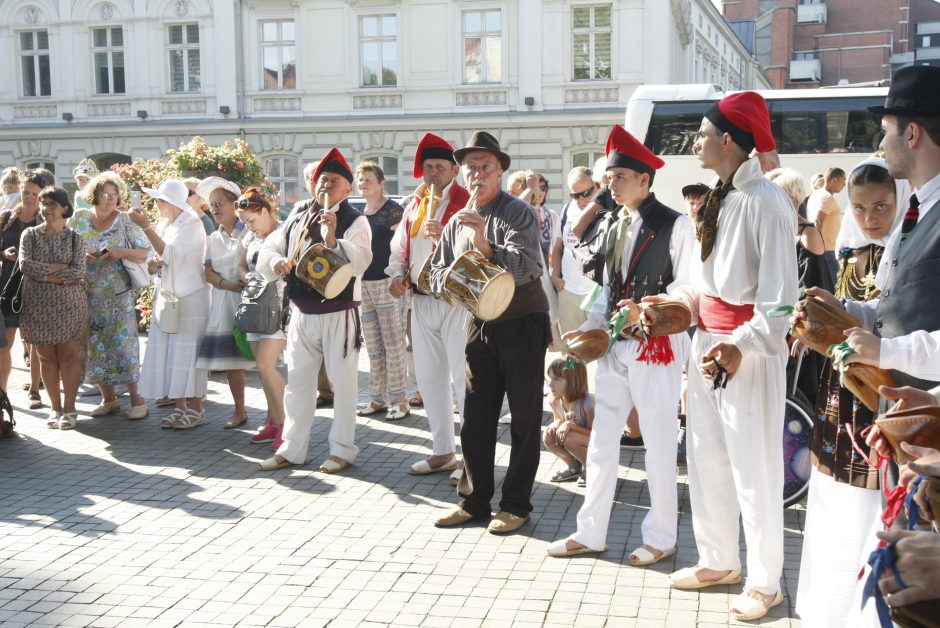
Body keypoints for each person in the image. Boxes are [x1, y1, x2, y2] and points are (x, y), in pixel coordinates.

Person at [666, 91, 798, 622]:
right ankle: (719, 559)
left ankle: (767, 581)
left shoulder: (768, 202)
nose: (695, 141)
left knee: (755, 468)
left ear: (727, 140)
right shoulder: (720, 195)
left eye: (701, 133)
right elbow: (701, 285)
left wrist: (739, 345)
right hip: (708, 345)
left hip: (748, 353)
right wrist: (675, 306)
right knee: (706, 458)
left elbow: (780, 301)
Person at [547, 125, 693, 565]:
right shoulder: (612, 222)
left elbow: (688, 288)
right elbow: (605, 289)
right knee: (603, 442)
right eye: (609, 178)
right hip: (614, 347)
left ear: (645, 179)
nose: (610, 185)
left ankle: (662, 536)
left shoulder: (676, 223)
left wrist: (651, 311)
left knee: (660, 443)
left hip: (657, 348)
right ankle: (590, 532)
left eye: (619, 177)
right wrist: (590, 329)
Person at [795, 157, 905, 628]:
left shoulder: (904, 253)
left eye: (881, 205)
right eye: (859, 208)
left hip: (876, 392)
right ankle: (827, 608)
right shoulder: (848, 254)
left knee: (869, 500)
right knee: (832, 498)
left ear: (900, 200)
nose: (870, 217)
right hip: (840, 392)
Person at [430, 131, 550, 535]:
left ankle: (516, 505)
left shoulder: (517, 212)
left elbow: (529, 267)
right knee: (477, 418)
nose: (477, 174)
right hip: (480, 325)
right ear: (462, 174)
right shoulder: (454, 220)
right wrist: (449, 277)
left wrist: (483, 242)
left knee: (524, 418)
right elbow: (434, 273)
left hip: (523, 322)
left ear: (500, 172)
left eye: (485, 167)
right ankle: (474, 501)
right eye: (471, 168)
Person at [257, 148, 372, 473]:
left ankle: (343, 450)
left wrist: (333, 239)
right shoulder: (297, 216)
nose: (326, 185)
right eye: (322, 180)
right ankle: (292, 448)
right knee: (298, 384)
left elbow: (363, 260)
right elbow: (269, 250)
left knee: (343, 383)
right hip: (301, 311)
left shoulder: (355, 219)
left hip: (340, 311)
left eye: (334, 181)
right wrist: (276, 262)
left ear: (348, 188)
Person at [387, 133, 471, 482]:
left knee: (463, 380)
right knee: (429, 377)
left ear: (453, 169)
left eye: (440, 167)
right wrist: (396, 274)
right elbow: (400, 247)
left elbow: (476, 252)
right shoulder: (414, 205)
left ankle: (471, 455)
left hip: (456, 301)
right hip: (421, 299)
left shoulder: (468, 202)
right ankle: (442, 451)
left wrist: (445, 238)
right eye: (428, 168)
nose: (434, 173)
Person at [71, 171, 151, 419]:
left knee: (122, 345)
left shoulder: (125, 220)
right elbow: (69, 247)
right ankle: (109, 400)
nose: (109, 199)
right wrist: (80, 258)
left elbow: (145, 251)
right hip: (85, 292)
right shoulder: (80, 218)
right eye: (105, 194)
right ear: (94, 195)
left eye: (114, 195)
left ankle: (138, 401)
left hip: (118, 294)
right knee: (93, 346)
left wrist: (118, 251)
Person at [132, 180, 210, 429]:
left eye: (159, 200)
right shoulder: (166, 224)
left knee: (189, 355)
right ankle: (179, 407)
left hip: (191, 297)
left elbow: (170, 254)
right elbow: (158, 258)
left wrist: (145, 228)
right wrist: (153, 265)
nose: (155, 204)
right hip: (168, 297)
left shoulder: (193, 223)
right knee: (171, 353)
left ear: (169, 202)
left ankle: (196, 409)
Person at [19, 186, 87, 429]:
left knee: (69, 356)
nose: (45, 209)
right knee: (45, 358)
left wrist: (44, 272)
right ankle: (55, 409)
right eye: (43, 204)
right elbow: (26, 265)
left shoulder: (75, 238)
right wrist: (55, 270)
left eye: (51, 204)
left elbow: (78, 271)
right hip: (37, 305)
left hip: (70, 306)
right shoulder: (30, 235)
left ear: (64, 209)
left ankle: (70, 408)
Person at [195, 177, 253, 429]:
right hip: (224, 301)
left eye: (220, 203)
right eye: (212, 204)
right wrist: (227, 285)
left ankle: (276, 416)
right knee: (231, 362)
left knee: (265, 360)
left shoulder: (250, 231)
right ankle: (239, 411)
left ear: (234, 204)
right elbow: (207, 272)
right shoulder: (213, 239)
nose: (216, 208)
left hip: (253, 303)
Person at [354, 161, 409, 421]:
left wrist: (400, 277)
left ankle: (400, 400)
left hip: (387, 284)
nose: (363, 183)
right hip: (362, 284)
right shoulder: (359, 212)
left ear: (380, 183)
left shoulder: (393, 211)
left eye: (368, 179)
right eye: (360, 179)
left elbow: (402, 248)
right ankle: (377, 398)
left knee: (394, 343)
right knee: (373, 344)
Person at [235, 188, 287, 449]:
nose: (249, 226)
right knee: (262, 367)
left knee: (267, 366)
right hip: (256, 307)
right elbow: (240, 266)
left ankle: (286, 426)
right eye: (245, 222)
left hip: (279, 309)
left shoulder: (284, 233)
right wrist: (247, 278)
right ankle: (274, 422)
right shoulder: (251, 237)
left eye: (252, 221)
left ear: (265, 211)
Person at [290, 160, 334, 408]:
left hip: (327, 285)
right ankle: (317, 389)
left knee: (328, 345)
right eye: (312, 179)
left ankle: (330, 389)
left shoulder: (336, 211)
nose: (317, 185)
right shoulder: (300, 209)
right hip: (302, 287)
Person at [1, 170, 46, 405]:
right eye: (26, 192)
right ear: (19, 190)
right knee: (5, 344)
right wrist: (3, 253)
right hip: (8, 286)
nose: (29, 197)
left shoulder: (44, 221)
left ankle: (35, 390)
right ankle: (3, 393)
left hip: (34, 287)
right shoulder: (7, 216)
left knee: (35, 342)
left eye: (35, 194)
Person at [551, 167, 598, 334]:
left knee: (602, 350)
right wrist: (555, 274)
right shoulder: (566, 210)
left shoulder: (607, 210)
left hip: (596, 293)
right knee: (572, 350)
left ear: (597, 186)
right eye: (575, 195)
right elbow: (558, 247)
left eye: (586, 193)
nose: (581, 200)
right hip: (568, 291)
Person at [543, 359, 594, 482]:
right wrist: (558, 423)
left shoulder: (589, 404)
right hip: (580, 439)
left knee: (570, 440)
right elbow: (560, 421)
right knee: (549, 436)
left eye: (556, 379)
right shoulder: (554, 400)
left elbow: (595, 434)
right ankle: (574, 467)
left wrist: (569, 425)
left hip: (598, 445)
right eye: (550, 379)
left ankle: (592, 469)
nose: (550, 384)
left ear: (572, 381)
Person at [806, 167, 847, 283]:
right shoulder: (826, 198)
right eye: (843, 180)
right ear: (834, 180)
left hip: (823, 250)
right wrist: (818, 248)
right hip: (827, 251)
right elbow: (818, 221)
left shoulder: (816, 194)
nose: (844, 184)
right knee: (835, 288)